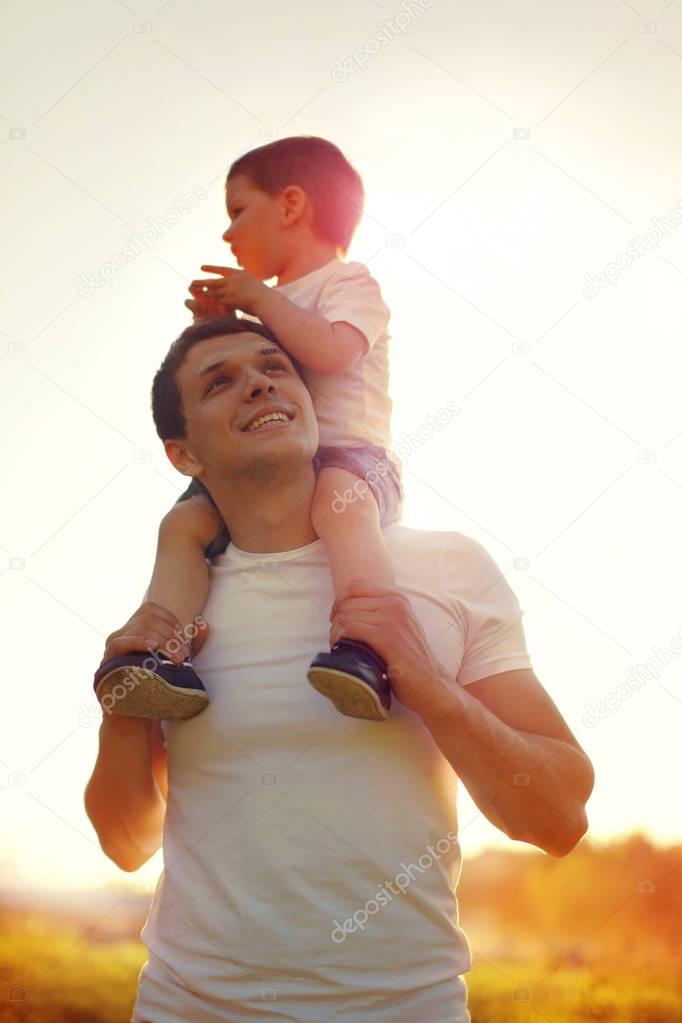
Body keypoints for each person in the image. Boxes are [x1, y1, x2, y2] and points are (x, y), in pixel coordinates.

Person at [84, 318, 595, 1023]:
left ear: (312, 402)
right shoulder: (175, 610)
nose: (258, 381)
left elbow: (560, 816)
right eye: (219, 381)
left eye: (274, 366)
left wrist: (427, 682)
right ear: (183, 453)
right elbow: (127, 841)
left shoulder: (445, 567)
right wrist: (120, 711)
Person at [93, 135, 403, 724]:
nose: (229, 234)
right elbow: (256, 380)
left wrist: (258, 300)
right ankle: (160, 650)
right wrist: (222, 326)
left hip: (355, 459)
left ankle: (370, 646)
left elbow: (332, 353)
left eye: (238, 211)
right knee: (183, 521)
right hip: (277, 462)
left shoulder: (348, 282)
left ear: (290, 206)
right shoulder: (272, 306)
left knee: (340, 506)